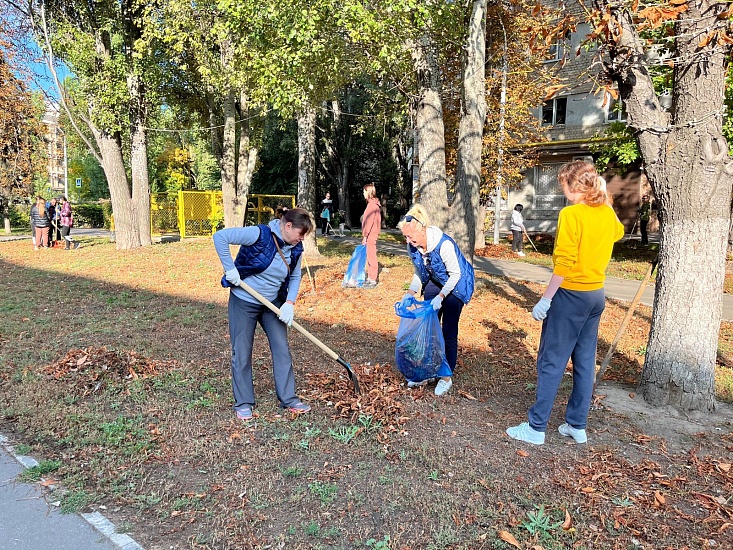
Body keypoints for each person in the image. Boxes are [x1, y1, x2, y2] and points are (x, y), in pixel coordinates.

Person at [507, 160, 624, 445]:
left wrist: (545, 299)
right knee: (584, 361)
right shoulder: (606, 214)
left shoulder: (571, 214)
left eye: (563, 185)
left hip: (570, 296)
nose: (562, 190)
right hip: (596, 295)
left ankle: (536, 428)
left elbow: (564, 262)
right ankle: (577, 424)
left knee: (552, 360)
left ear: (573, 186)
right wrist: (606, 201)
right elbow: (618, 233)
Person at [213, 207, 314, 421]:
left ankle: (288, 399)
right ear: (288, 226)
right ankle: (243, 402)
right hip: (245, 300)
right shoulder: (258, 234)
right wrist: (229, 268)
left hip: (273, 303)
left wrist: (289, 303)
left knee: (281, 348)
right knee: (241, 351)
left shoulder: (296, 248)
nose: (302, 239)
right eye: (300, 233)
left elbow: (295, 277)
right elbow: (220, 237)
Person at [398, 204, 475, 396]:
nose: (408, 241)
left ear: (422, 229)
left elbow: (455, 274)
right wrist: (410, 293)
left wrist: (441, 297)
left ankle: (446, 377)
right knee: (429, 325)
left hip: (457, 284)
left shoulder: (443, 244)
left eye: (411, 236)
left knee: (448, 330)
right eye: (405, 237)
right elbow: (419, 271)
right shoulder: (413, 246)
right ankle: (428, 370)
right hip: (435, 279)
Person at [361, 184, 381, 289]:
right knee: (369, 256)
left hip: (371, 235)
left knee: (372, 257)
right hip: (371, 234)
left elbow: (369, 222)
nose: (363, 194)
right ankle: (370, 277)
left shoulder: (372, 205)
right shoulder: (372, 204)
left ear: (368, 192)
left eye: (364, 192)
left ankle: (373, 279)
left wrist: (365, 236)